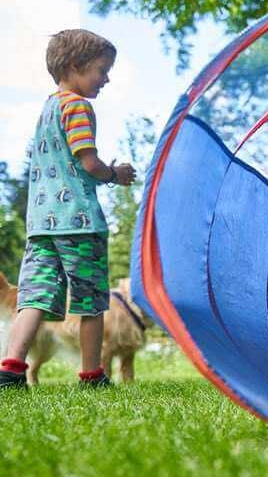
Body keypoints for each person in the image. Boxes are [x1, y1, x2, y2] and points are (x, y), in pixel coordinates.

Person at [0, 29, 136, 389]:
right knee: (91, 300)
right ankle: (92, 375)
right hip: (78, 222)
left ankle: (10, 369)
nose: (106, 78)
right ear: (75, 66)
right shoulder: (77, 106)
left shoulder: (47, 109)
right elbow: (89, 163)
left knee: (34, 297)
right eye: (101, 70)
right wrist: (116, 175)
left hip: (41, 225)